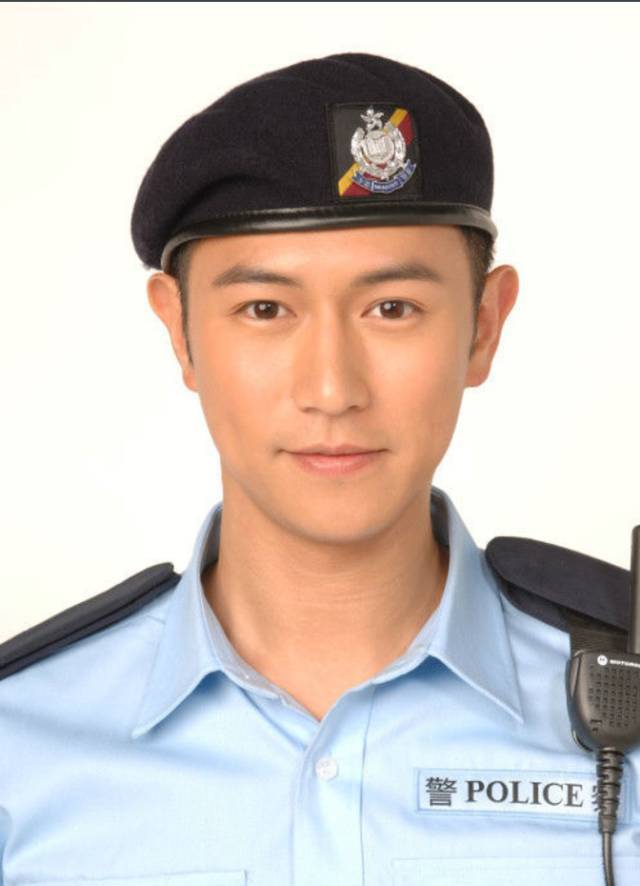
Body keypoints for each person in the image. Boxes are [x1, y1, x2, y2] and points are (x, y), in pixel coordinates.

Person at [0, 52, 638, 886]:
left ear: (483, 326)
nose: (332, 390)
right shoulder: (20, 745)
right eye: (265, 309)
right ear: (179, 331)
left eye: (392, 309)